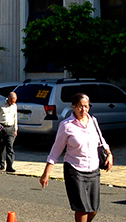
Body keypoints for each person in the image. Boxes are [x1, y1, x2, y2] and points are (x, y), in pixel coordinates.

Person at [39, 93, 113, 222]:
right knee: (82, 208)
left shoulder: (93, 121)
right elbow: (56, 150)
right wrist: (46, 173)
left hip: (93, 170)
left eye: (86, 106)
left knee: (93, 209)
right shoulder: (66, 125)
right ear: (73, 107)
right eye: (80, 106)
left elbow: (102, 141)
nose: (83, 110)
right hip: (74, 170)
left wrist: (109, 154)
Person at [0, 91, 19, 172]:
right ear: (8, 98)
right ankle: (2, 164)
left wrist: (16, 129)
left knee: (10, 147)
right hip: (1, 128)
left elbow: (15, 117)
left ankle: (9, 166)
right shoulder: (0, 104)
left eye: (14, 102)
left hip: (11, 128)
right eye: (11, 101)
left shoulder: (14, 106)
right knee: (1, 147)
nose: (12, 103)